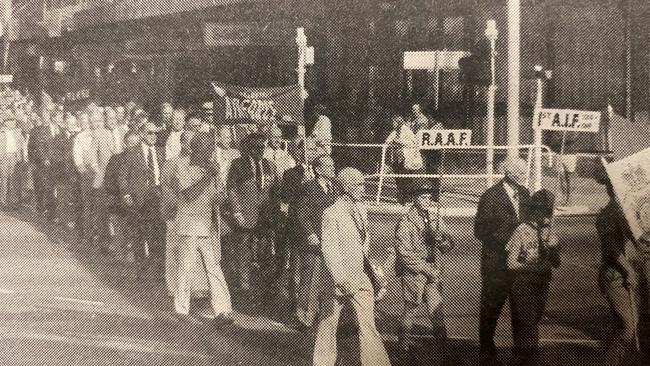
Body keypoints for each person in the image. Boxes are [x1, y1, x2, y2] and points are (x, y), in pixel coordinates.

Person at [313, 167, 390, 366]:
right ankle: (322, 363)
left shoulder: (361, 209)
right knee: (328, 323)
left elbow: (364, 239)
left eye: (363, 184)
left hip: (360, 275)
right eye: (358, 185)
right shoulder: (331, 214)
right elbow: (329, 249)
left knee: (368, 324)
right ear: (346, 187)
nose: (363, 189)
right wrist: (340, 278)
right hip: (336, 279)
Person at [474, 157, 531, 366]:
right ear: (508, 173)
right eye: (519, 171)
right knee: (490, 310)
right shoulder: (490, 197)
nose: (523, 174)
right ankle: (487, 354)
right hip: (496, 264)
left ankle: (519, 357)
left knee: (520, 311)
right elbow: (480, 230)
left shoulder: (525, 194)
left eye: (525, 170)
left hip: (520, 265)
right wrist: (508, 239)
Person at [173, 132, 233, 325]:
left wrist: (221, 191)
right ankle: (181, 309)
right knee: (186, 268)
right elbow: (189, 194)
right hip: (189, 225)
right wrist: (210, 176)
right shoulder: (182, 166)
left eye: (211, 148)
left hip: (208, 226)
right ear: (196, 147)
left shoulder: (212, 169)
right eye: (207, 147)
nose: (210, 152)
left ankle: (222, 311)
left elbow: (216, 198)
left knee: (214, 267)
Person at [594, 160, 650, 365]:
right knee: (629, 327)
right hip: (616, 276)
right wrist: (630, 273)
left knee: (625, 326)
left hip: (631, 272)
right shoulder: (609, 214)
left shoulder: (628, 211)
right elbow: (612, 250)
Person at [395, 178, 454, 362]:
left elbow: (449, 244)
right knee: (410, 310)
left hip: (434, 272)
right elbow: (404, 254)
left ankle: (443, 350)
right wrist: (426, 269)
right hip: (415, 274)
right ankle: (402, 347)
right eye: (423, 196)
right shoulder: (405, 221)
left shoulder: (436, 217)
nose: (427, 199)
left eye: (429, 196)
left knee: (437, 311)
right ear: (414, 198)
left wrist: (441, 240)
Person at [505, 189, 561, 366]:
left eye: (548, 213)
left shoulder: (551, 233)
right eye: (541, 212)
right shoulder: (522, 230)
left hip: (542, 285)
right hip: (523, 285)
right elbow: (511, 263)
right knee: (529, 325)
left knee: (532, 323)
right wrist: (529, 266)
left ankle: (520, 356)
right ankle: (530, 359)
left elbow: (557, 263)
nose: (545, 217)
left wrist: (552, 248)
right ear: (534, 211)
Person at [226, 132, 280, 292]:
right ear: (249, 148)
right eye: (256, 147)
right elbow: (231, 189)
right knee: (244, 249)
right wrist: (236, 212)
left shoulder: (270, 165)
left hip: (265, 217)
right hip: (245, 214)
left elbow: (275, 191)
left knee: (264, 250)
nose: (260, 150)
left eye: (263, 147)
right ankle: (244, 285)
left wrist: (275, 213)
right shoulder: (238, 164)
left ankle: (263, 284)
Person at [293, 154, 338, 328]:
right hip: (313, 243)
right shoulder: (308, 188)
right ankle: (304, 318)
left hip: (330, 241)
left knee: (327, 279)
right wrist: (310, 234)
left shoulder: (334, 188)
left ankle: (322, 315)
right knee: (310, 278)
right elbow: (301, 214)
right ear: (318, 170)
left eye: (333, 165)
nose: (332, 168)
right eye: (328, 166)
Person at [118, 122, 166, 278]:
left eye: (155, 133)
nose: (153, 136)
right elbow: (123, 176)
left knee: (157, 232)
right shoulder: (132, 152)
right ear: (143, 134)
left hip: (157, 196)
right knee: (138, 233)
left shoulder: (160, 151)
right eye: (150, 133)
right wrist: (125, 194)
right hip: (138, 198)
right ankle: (141, 265)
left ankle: (157, 266)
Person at [104, 130, 141, 261]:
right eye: (130, 143)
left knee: (133, 230)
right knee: (120, 229)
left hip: (136, 202)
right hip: (118, 202)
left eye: (137, 144)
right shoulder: (116, 159)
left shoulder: (142, 160)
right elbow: (108, 181)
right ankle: (120, 256)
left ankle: (132, 255)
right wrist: (121, 195)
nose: (133, 147)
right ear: (125, 144)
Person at [385, 113, 424, 204]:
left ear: (398, 122)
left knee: (405, 178)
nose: (393, 124)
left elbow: (413, 142)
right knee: (398, 177)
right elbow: (388, 140)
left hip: (406, 157)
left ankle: (406, 197)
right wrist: (387, 144)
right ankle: (401, 196)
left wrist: (400, 142)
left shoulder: (406, 131)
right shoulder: (395, 132)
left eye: (394, 122)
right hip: (396, 158)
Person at [27, 108, 57, 220]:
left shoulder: (57, 129)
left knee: (51, 186)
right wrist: (34, 161)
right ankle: (42, 207)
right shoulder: (36, 131)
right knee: (41, 186)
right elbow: (32, 147)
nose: (46, 119)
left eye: (49, 117)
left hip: (55, 162)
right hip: (41, 162)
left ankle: (50, 209)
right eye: (44, 117)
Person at [51, 114, 79, 229]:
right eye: (70, 124)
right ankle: (64, 220)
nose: (72, 126)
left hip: (75, 173)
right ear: (65, 125)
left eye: (74, 124)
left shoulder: (77, 136)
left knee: (73, 197)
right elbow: (55, 156)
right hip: (62, 173)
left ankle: (72, 220)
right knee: (62, 197)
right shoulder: (58, 138)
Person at [0, 118, 24, 210]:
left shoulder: (17, 132)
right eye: (11, 121)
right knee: (4, 178)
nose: (13, 123)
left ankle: (13, 201)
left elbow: (22, 143)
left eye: (14, 121)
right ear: (6, 122)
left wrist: (20, 155)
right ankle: (3, 201)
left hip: (14, 157)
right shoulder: (1, 132)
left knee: (13, 179)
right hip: (4, 157)